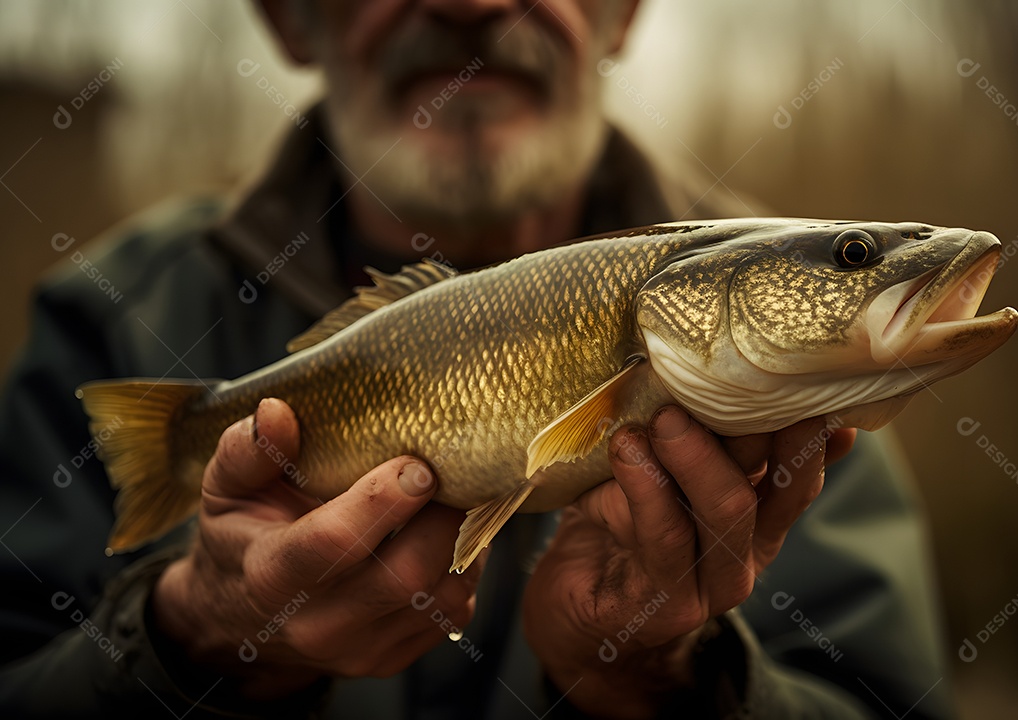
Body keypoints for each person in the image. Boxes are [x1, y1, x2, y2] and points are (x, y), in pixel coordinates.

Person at [0, 1, 953, 717]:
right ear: (292, 18)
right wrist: (189, 635)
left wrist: (656, 676)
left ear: (622, 11)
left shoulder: (815, 380)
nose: (469, 3)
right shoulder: (109, 314)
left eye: (853, 260)